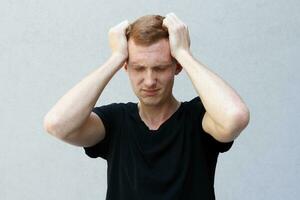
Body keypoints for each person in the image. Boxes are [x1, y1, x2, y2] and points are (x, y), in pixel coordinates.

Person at [44, 13, 250, 200]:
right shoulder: (116, 122)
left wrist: (184, 53)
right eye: (139, 68)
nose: (149, 80)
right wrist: (115, 58)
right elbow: (57, 124)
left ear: (176, 67)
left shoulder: (199, 118)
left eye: (160, 68)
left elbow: (235, 117)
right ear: (126, 67)